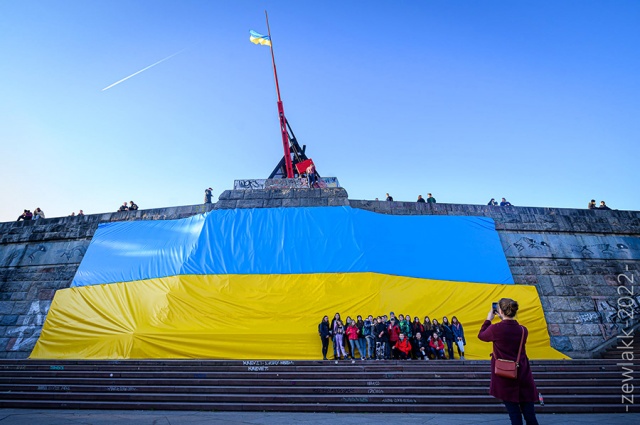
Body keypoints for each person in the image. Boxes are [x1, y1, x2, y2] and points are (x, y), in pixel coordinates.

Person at [478, 298, 539, 425]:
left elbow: (482, 335)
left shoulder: (496, 329)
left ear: (500, 310)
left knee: (514, 416)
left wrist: (489, 319)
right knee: (530, 416)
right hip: (523, 374)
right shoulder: (523, 330)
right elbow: (510, 331)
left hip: (505, 376)